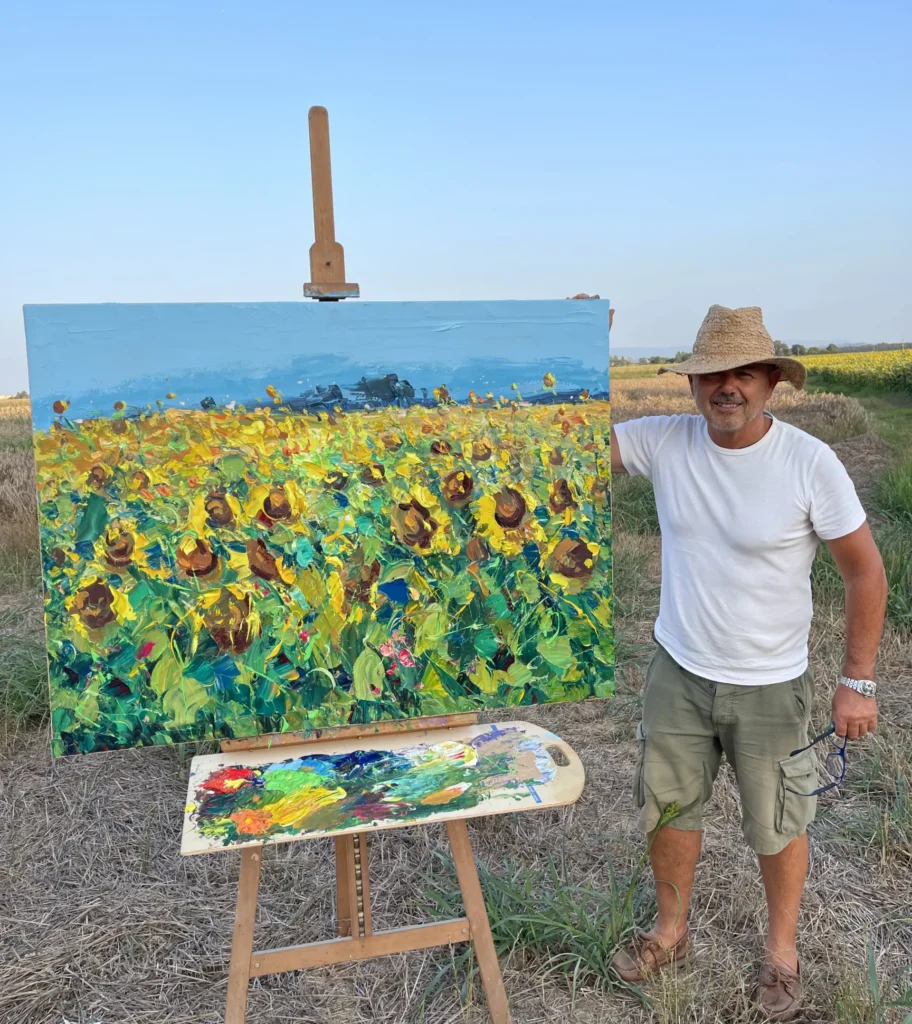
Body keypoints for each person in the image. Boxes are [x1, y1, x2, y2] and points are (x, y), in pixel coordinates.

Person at [608, 304, 887, 1021]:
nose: (724, 387)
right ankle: (671, 934)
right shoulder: (663, 442)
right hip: (678, 671)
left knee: (779, 823)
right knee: (669, 809)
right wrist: (578, 349)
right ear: (691, 386)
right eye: (710, 375)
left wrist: (857, 682)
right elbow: (568, 447)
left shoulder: (807, 463)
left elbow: (864, 572)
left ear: (769, 382)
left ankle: (781, 956)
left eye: (742, 373)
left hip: (771, 685)